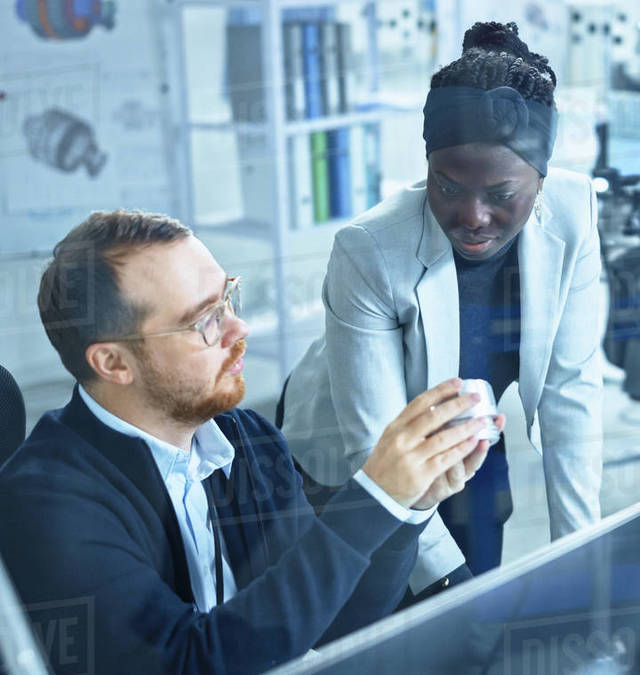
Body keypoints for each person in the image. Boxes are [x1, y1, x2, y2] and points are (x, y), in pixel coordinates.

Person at [0, 210, 500, 673]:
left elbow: (332, 620)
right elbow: (192, 660)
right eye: (204, 321)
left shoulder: (247, 439)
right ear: (113, 364)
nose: (238, 328)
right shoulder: (45, 504)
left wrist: (406, 506)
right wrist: (372, 497)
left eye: (227, 299)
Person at [282, 21, 604, 592]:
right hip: (350, 457)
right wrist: (453, 592)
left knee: (479, 581)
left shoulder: (573, 210)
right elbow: (373, 445)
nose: (472, 216)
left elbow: (569, 391)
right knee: (398, 617)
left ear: (542, 178)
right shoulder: (370, 249)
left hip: (466, 431)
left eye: (501, 195)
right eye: (448, 186)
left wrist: (583, 560)